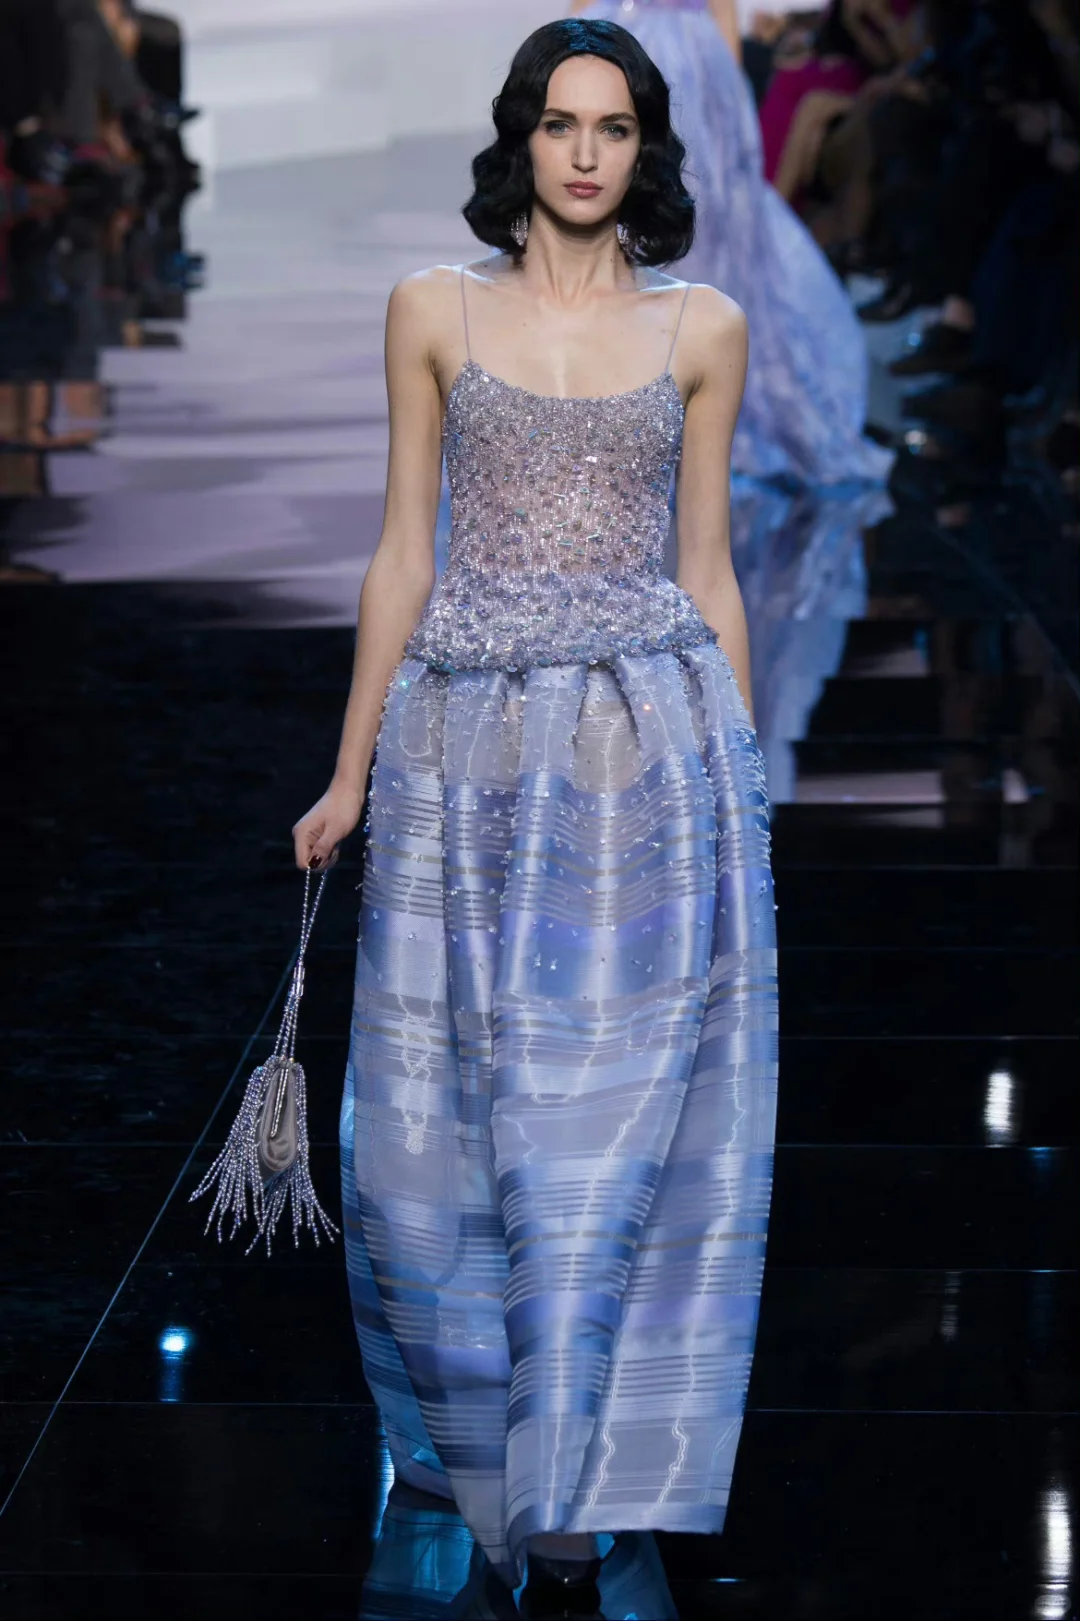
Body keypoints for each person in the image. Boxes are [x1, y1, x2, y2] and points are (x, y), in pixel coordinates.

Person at [292, 19, 778, 1616]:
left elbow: (707, 567)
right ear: (522, 137)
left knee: (603, 1121)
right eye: (562, 124)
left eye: (614, 127)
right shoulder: (432, 309)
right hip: (459, 756)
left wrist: (745, 783)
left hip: (649, 753)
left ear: (646, 146)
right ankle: (476, 1438)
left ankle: (570, 1480)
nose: (585, 153)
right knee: (443, 1122)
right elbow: (402, 553)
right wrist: (351, 771)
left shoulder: (702, 327)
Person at [572, 0, 890, 484]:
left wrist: (730, 93)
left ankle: (686, 391)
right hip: (630, 50)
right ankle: (621, 393)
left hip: (690, 65)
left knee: (701, 214)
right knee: (624, 210)